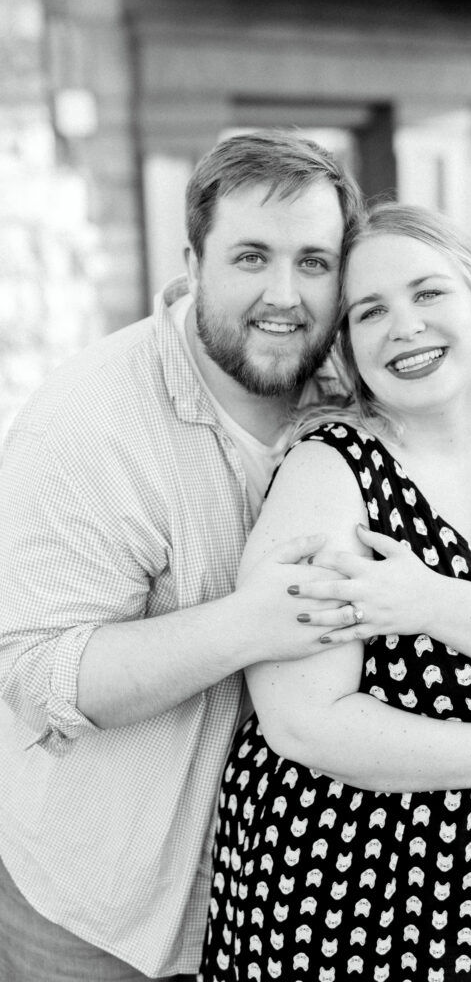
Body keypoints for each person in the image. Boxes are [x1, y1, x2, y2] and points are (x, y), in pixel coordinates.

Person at [198, 202, 471, 982]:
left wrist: (426, 599)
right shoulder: (328, 471)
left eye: (428, 293)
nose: (403, 326)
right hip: (344, 881)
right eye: (369, 311)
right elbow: (305, 721)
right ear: (346, 346)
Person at [0, 130, 367, 981]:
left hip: (284, 913)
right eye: (251, 257)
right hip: (98, 918)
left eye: (315, 262)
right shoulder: (88, 421)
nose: (286, 294)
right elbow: (42, 672)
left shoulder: (357, 399)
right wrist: (250, 625)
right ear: (193, 260)